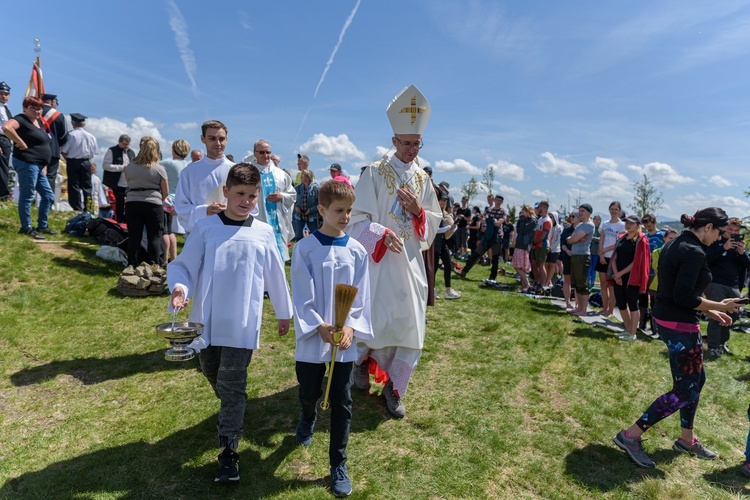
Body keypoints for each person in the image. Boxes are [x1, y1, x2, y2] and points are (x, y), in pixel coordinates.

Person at [168, 162, 292, 483]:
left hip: (242, 322)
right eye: (239, 194)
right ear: (226, 192)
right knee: (212, 371)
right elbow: (186, 264)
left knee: (233, 383)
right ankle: (231, 410)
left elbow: (275, 274)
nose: (246, 201)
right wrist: (180, 288)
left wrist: (283, 311)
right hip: (207, 320)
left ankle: (228, 452)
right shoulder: (207, 228)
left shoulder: (263, 232)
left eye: (252, 196)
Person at [613, 207, 741, 469]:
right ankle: (631, 436)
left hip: (669, 318)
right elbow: (684, 296)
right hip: (679, 325)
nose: (719, 238)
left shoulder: (677, 243)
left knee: (696, 380)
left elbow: (676, 291)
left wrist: (713, 311)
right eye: (718, 232)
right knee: (686, 389)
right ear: (707, 227)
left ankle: (686, 438)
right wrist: (719, 305)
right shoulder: (693, 251)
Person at [347, 84, 441, 418]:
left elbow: (433, 220)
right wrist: (380, 232)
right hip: (379, 264)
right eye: (407, 143)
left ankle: (395, 388)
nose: (412, 150)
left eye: (417, 144)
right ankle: (359, 365)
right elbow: (354, 219)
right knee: (374, 321)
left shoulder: (423, 180)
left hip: (411, 265)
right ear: (393, 141)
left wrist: (418, 211)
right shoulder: (373, 173)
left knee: (410, 325)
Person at [291, 179, 372, 497]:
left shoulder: (356, 250)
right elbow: (301, 293)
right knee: (309, 389)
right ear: (322, 210)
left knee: (343, 402)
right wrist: (319, 325)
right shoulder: (306, 248)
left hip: (344, 341)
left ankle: (338, 463)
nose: (345, 217)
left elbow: (361, 295)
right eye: (339, 210)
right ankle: (307, 415)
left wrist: (350, 326)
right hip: (314, 336)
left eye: (349, 211)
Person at [2, 96, 54, 239]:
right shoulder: (21, 119)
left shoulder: (38, 121)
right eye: (33, 108)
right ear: (25, 108)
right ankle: (27, 228)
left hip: (38, 165)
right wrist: (20, 142)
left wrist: (44, 164)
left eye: (39, 109)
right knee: (27, 195)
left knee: (48, 196)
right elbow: (6, 127)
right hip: (27, 162)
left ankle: (42, 225)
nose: (37, 111)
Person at [174, 120, 233, 234]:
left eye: (221, 139)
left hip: (228, 231)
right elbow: (181, 206)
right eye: (212, 138)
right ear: (203, 139)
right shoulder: (189, 172)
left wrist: (229, 210)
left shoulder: (235, 170)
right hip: (199, 232)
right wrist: (205, 210)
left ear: (227, 139)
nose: (218, 143)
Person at [704, 217, 750, 358]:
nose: (732, 233)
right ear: (725, 228)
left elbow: (747, 266)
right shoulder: (715, 240)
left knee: (733, 315)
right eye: (730, 229)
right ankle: (713, 345)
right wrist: (723, 248)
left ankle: (722, 343)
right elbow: (706, 259)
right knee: (718, 313)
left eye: (736, 231)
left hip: (734, 285)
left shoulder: (739, 246)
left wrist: (742, 253)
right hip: (715, 283)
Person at [245, 139, 296, 261]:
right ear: (255, 153)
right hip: (256, 219)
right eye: (262, 152)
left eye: (268, 152)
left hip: (276, 222)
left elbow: (292, 194)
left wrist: (282, 196)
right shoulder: (248, 173)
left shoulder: (280, 174)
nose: (265, 155)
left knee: (277, 260)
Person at [124, 137, 168, 266]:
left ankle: (131, 263)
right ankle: (153, 264)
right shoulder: (159, 169)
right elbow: (165, 192)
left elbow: (129, 183)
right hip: (153, 203)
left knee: (134, 236)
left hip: (132, 202)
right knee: (154, 237)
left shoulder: (130, 166)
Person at [610, 214, 651, 341]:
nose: (628, 225)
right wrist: (616, 274)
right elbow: (614, 257)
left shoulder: (641, 240)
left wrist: (620, 274)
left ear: (638, 225)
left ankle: (633, 333)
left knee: (633, 304)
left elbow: (637, 261)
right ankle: (628, 330)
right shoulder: (621, 238)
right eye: (626, 222)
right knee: (621, 304)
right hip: (618, 277)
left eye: (631, 223)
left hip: (632, 277)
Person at [160, 139, 191, 262]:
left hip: (166, 200)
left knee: (163, 231)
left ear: (173, 149)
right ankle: (174, 257)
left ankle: (164, 258)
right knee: (170, 230)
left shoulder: (167, 163)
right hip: (178, 201)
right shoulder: (188, 165)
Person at [60, 113, 99, 212]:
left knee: (74, 185)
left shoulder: (71, 135)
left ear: (72, 123)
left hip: (73, 161)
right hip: (86, 162)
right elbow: (94, 152)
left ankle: (76, 207)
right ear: (84, 124)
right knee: (87, 186)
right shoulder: (91, 136)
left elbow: (64, 151)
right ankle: (89, 207)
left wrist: (67, 159)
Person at [566, 203, 595, 316]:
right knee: (576, 283)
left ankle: (584, 310)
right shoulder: (579, 225)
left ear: (588, 212)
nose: (580, 213)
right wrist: (574, 239)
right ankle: (579, 307)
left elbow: (573, 239)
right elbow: (569, 239)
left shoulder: (589, 225)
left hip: (582, 256)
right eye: (580, 210)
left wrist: (574, 239)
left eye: (582, 210)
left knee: (582, 283)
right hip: (575, 255)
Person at [648, 228, 678, 335]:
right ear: (664, 238)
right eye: (670, 238)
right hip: (657, 286)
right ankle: (654, 329)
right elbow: (656, 267)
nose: (672, 241)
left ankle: (664, 331)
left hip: (670, 287)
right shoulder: (657, 252)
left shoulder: (677, 254)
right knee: (655, 308)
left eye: (675, 239)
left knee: (667, 311)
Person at [597, 202, 625, 317]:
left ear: (619, 210)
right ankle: (604, 307)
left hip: (613, 257)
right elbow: (601, 239)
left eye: (616, 209)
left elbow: (618, 242)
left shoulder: (622, 225)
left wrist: (604, 250)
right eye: (612, 209)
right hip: (603, 256)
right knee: (603, 284)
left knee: (612, 286)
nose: (614, 211)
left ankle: (611, 310)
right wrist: (601, 254)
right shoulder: (605, 223)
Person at [102, 134, 136, 222]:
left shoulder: (131, 152)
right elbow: (105, 166)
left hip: (129, 182)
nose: (126, 147)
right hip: (117, 182)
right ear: (119, 142)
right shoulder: (112, 150)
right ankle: (119, 221)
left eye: (127, 145)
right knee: (119, 203)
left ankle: (129, 221)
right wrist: (121, 167)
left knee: (130, 203)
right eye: (124, 144)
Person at [39, 94, 67, 196]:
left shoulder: (35, 112)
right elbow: (64, 135)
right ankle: (47, 201)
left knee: (34, 174)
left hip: (36, 149)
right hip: (53, 149)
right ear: (52, 102)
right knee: (50, 176)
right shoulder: (59, 115)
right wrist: (57, 144)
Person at [434, 192, 461, 299]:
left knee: (448, 266)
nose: (443, 202)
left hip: (442, 242)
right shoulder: (433, 212)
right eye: (441, 199)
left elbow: (446, 235)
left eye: (445, 200)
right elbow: (434, 230)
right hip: (434, 243)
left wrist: (453, 228)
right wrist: (449, 228)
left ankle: (448, 290)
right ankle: (432, 290)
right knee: (434, 268)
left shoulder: (445, 214)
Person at [512, 205, 536, 293]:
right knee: (518, 266)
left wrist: (522, 221)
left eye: (523, 212)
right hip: (519, 244)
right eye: (521, 212)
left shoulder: (532, 221)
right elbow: (518, 230)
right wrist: (521, 221)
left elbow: (523, 230)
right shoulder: (522, 221)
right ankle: (524, 285)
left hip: (524, 245)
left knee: (518, 266)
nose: (522, 214)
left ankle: (527, 284)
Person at [530, 201, 552, 290]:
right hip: (535, 244)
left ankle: (542, 284)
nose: (539, 208)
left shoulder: (547, 220)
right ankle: (537, 282)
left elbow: (543, 236)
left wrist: (534, 242)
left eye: (542, 207)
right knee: (534, 264)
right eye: (539, 207)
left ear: (546, 208)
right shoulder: (540, 219)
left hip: (542, 245)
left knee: (541, 265)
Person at [292, 169, 319, 241]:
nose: (302, 178)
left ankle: (314, 250)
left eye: (304, 176)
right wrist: (296, 207)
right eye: (302, 176)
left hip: (312, 216)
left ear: (309, 177)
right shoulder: (297, 188)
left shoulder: (316, 188)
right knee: (298, 236)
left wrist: (310, 210)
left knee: (314, 236)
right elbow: (292, 200)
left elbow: (319, 203)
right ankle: (299, 251)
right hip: (299, 216)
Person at [560, 212, 578, 309]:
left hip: (579, 257)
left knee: (577, 281)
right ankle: (567, 302)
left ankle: (577, 303)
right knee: (567, 279)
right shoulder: (567, 230)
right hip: (567, 256)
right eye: (570, 216)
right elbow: (562, 241)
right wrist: (567, 250)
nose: (571, 218)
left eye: (573, 216)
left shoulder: (583, 229)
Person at [0, 81, 12, 201]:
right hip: (0, 140)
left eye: (6, 94)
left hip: (6, 140)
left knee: (4, 167)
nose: (4, 96)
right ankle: (2, 196)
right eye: (1, 93)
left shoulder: (5, 108)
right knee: (2, 168)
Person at [544, 211, 561, 287]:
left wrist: (551, 247)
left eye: (552, 217)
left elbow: (558, 240)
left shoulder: (559, 228)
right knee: (546, 264)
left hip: (554, 249)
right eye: (549, 216)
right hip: (546, 248)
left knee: (552, 265)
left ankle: (548, 280)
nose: (550, 218)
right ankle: (547, 280)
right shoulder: (548, 226)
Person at [587, 214, 601, 288]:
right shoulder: (591, 228)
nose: (596, 221)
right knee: (589, 266)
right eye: (595, 219)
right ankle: (588, 280)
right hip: (590, 250)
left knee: (594, 268)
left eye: (598, 220)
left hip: (597, 252)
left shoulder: (601, 230)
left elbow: (601, 239)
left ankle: (592, 282)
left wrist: (594, 239)